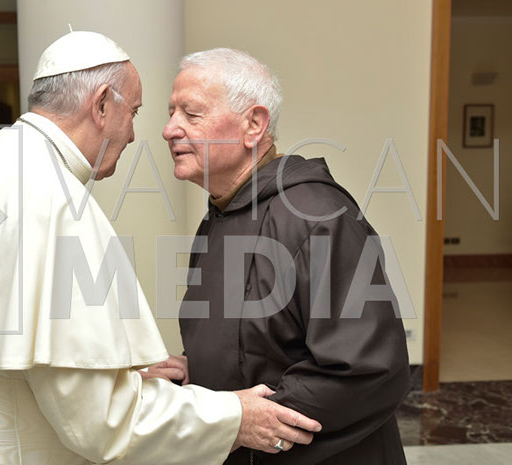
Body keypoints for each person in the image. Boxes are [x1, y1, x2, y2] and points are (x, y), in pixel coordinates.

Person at [0, 32, 321, 465]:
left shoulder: (1, 153)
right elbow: (102, 425)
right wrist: (234, 417)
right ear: (100, 105)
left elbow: (9, 339)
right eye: (133, 112)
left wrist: (110, 374)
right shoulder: (56, 203)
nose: (136, 134)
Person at [163, 48, 411, 464]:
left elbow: (367, 369)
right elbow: (259, 342)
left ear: (254, 125)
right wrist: (199, 369)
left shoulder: (318, 218)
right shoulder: (221, 215)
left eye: (191, 113)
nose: (170, 129)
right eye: (171, 113)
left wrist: (238, 421)